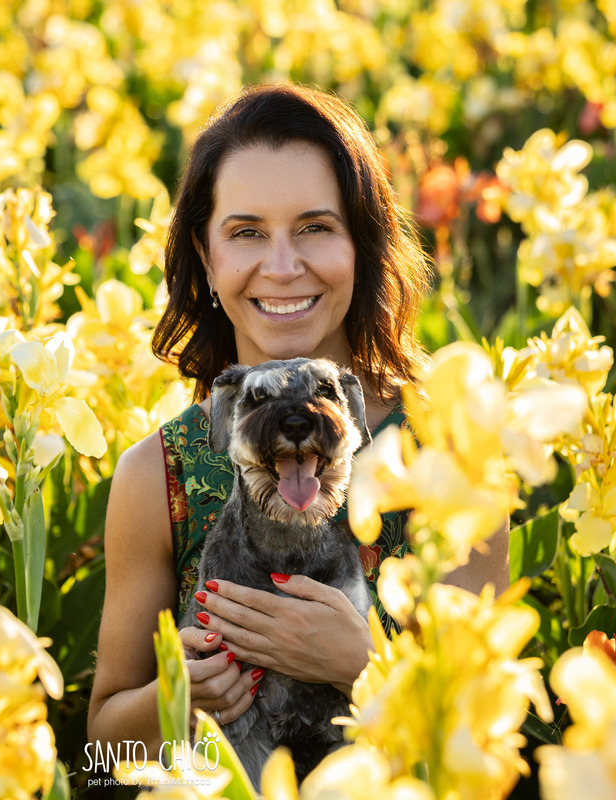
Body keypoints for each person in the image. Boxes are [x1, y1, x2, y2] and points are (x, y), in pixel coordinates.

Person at [86, 83, 508, 751]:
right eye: (247, 233)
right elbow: (103, 753)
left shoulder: (451, 452)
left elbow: (495, 734)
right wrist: (176, 700)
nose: (282, 268)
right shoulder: (157, 475)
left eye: (315, 228)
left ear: (362, 244)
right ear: (205, 254)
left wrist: (365, 664)